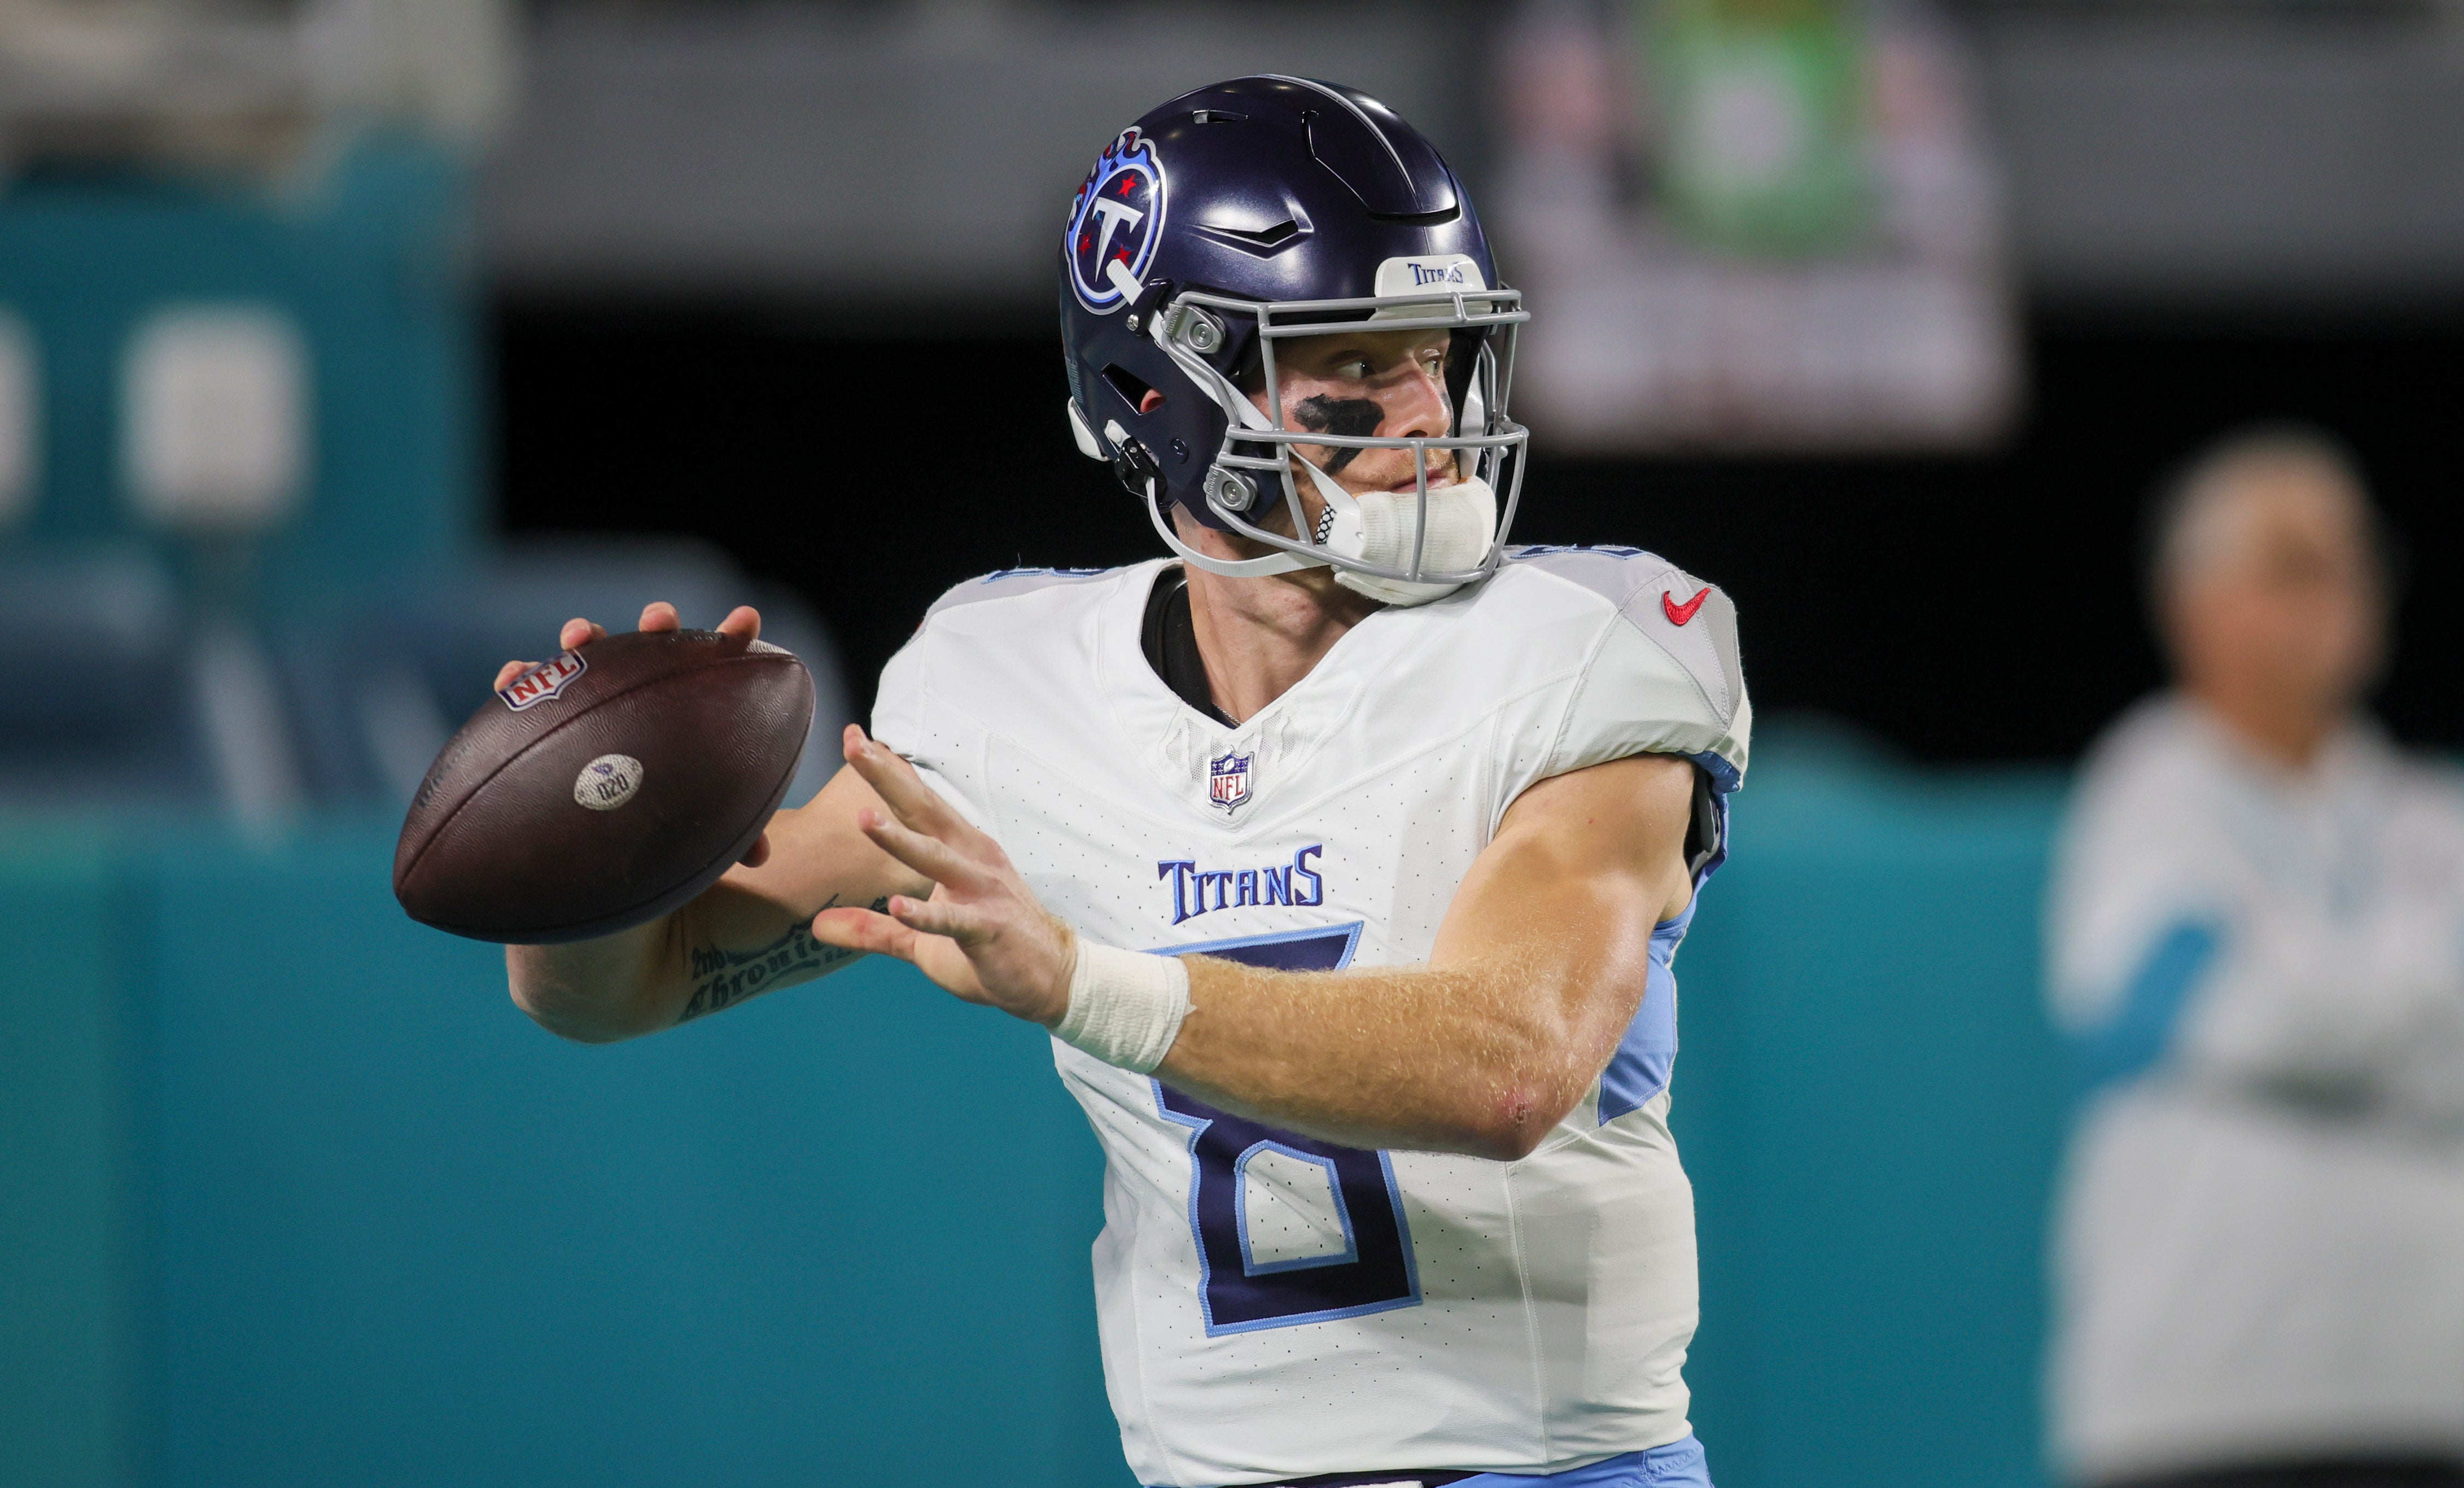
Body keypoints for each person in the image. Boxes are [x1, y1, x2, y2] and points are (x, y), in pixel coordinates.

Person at [497, 77, 1750, 1488]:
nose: (1430, 416)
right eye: (1350, 365)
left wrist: (1079, 980)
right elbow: (631, 985)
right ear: (1157, 393)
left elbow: (1507, 1070)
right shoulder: (1008, 685)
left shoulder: (1586, 643)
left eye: (1442, 356)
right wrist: (593, 834)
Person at [2045, 426, 2464, 1488]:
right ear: (2193, 602)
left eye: (2349, 559)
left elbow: (2279, 1019)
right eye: (2291, 562)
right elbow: (2204, 1011)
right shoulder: (2142, 803)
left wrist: (2306, 1000)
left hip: (2425, 1396)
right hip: (2200, 1408)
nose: (2332, 591)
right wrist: (2416, 1005)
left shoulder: (2434, 823)